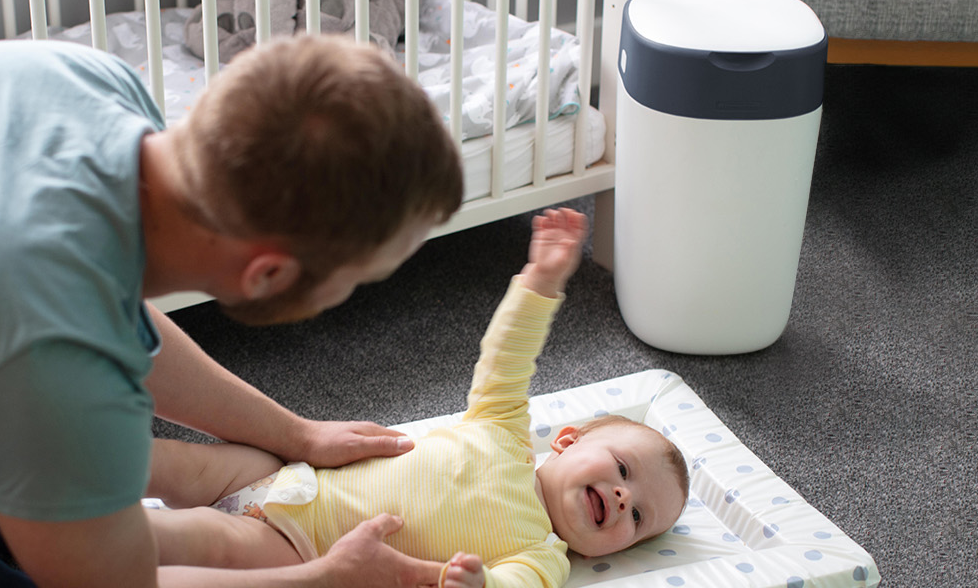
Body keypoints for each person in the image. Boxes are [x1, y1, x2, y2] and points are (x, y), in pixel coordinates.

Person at [0, 34, 463, 588]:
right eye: (359, 281)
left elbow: (104, 311)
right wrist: (323, 580)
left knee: (26, 486)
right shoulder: (52, 365)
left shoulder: (73, 78)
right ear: (268, 272)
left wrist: (294, 433)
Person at [144, 208, 691, 588]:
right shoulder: (503, 430)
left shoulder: (543, 557)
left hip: (303, 550)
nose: (623, 498)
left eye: (638, 517)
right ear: (567, 441)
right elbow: (507, 358)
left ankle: (103, 542)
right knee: (173, 462)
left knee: (204, 541)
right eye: (623, 469)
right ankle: (92, 468)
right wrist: (541, 282)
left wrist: (476, 580)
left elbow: (508, 585)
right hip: (289, 473)